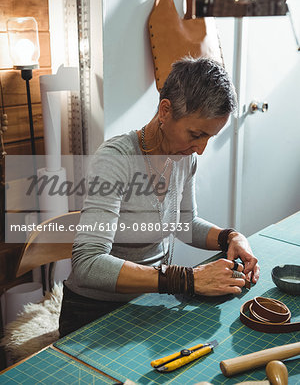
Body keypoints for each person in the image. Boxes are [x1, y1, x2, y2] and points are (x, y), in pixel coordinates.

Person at [59, 56, 260, 337]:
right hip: (94, 313)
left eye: (208, 138)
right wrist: (186, 279)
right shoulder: (115, 160)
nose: (200, 149)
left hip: (147, 303)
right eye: (195, 134)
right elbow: (87, 264)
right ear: (165, 110)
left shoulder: (182, 156)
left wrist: (230, 237)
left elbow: (184, 225)